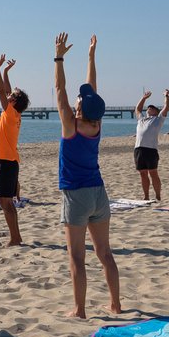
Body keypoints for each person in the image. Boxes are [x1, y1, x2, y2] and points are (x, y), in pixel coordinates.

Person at [53, 33, 120, 318]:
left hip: (77, 195)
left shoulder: (70, 125)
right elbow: (92, 89)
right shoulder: (97, 124)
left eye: (80, 100)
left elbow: (59, 88)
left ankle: (79, 309)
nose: (78, 98)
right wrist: (91, 55)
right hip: (98, 193)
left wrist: (58, 57)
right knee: (104, 253)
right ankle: (116, 304)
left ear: (79, 108)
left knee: (77, 257)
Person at [0, 55, 29, 246]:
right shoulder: (13, 113)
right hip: (8, 161)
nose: (8, 95)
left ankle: (15, 238)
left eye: (11, 96)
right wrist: (5, 71)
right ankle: (16, 236)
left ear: (13, 102)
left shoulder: (11, 113)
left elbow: (0, 89)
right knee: (7, 202)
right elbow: (5, 89)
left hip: (7, 162)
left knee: (6, 203)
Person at [133, 89, 169, 200]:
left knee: (153, 173)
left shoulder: (158, 119)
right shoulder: (141, 120)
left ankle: (158, 196)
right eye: (148, 107)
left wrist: (166, 96)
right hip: (138, 149)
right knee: (143, 174)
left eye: (152, 108)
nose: (149, 108)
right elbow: (138, 109)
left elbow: (166, 107)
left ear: (156, 111)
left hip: (151, 150)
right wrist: (144, 98)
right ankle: (146, 197)